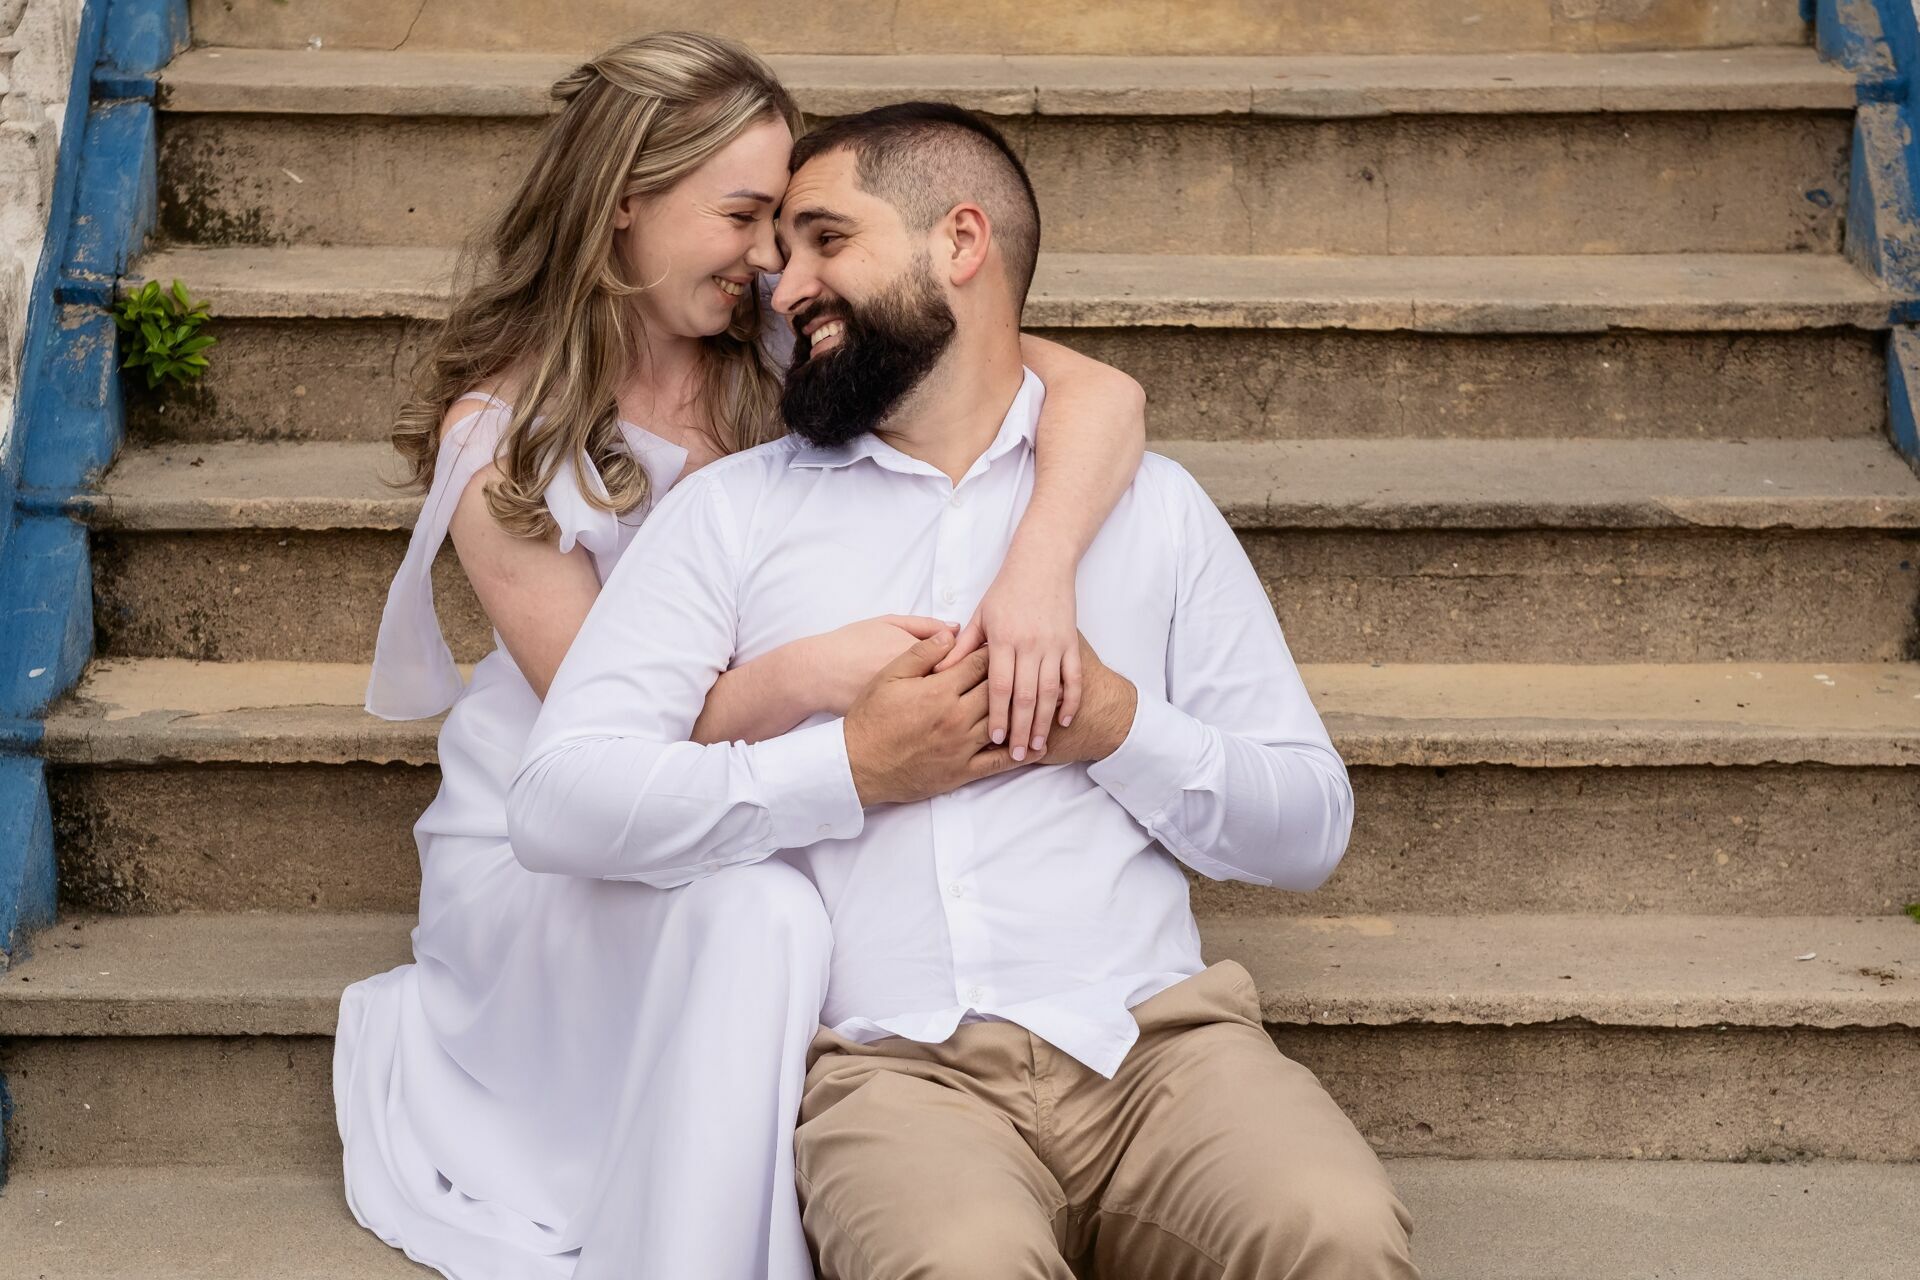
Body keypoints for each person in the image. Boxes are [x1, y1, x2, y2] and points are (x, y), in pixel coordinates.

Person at [509, 101, 1419, 1279]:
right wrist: (848, 768)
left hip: (1164, 1051)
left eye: (827, 242)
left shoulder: (1154, 510)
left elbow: (1309, 825)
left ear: (962, 243)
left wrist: (1114, 723)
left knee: (1336, 1231)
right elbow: (556, 799)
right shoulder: (732, 515)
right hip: (897, 1076)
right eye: (782, 254)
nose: (784, 289)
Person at [335, 33, 1148, 1280]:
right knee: (767, 906)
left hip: (765, 776)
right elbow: (609, 736)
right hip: (558, 845)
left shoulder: (784, 358)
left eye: (792, 225)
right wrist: (823, 675)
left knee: (852, 879)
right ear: (623, 206)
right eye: (746, 216)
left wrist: (1037, 571)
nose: (775, 260)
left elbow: (1100, 393)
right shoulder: (502, 441)